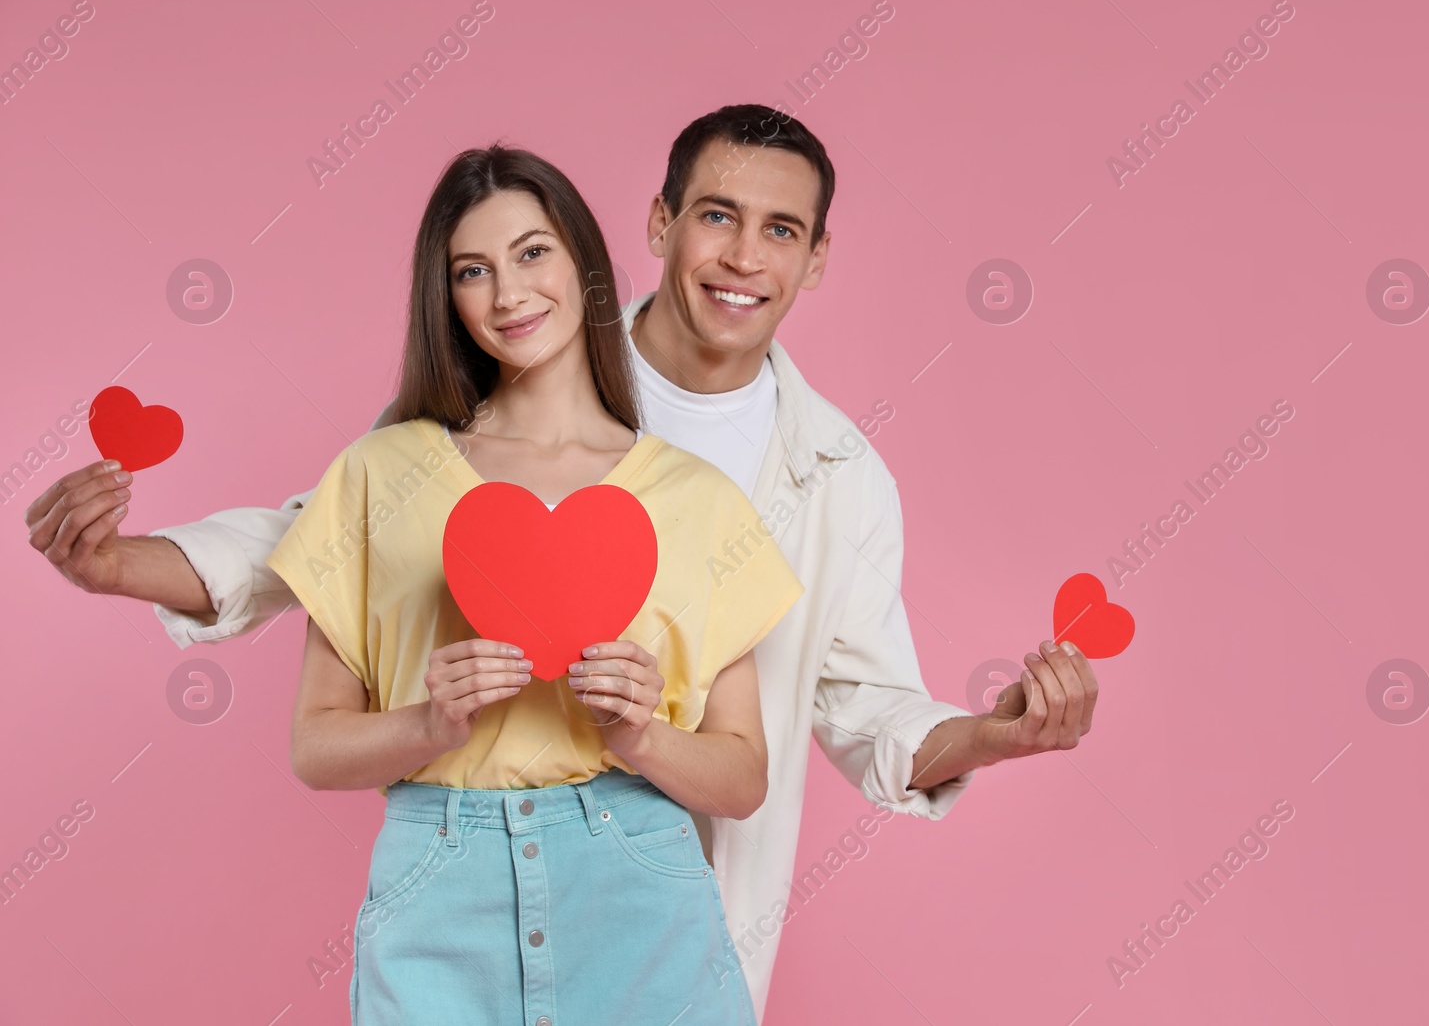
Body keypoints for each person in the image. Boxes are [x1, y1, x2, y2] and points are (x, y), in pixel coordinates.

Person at [25, 105, 1099, 1021]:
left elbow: (860, 708)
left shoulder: (798, 481)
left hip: (659, 870)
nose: (741, 256)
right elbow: (310, 547)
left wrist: (993, 734)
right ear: (657, 227)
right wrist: (123, 564)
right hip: (442, 863)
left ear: (815, 256)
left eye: (780, 229)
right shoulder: (428, 441)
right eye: (717, 216)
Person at [266, 143, 798, 1022]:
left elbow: (743, 778)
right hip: (438, 879)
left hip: (638, 883)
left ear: (584, 261)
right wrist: (428, 723)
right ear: (446, 296)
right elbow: (314, 748)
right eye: (472, 270)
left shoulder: (696, 499)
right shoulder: (377, 473)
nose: (509, 295)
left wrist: (642, 734)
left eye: (532, 252)